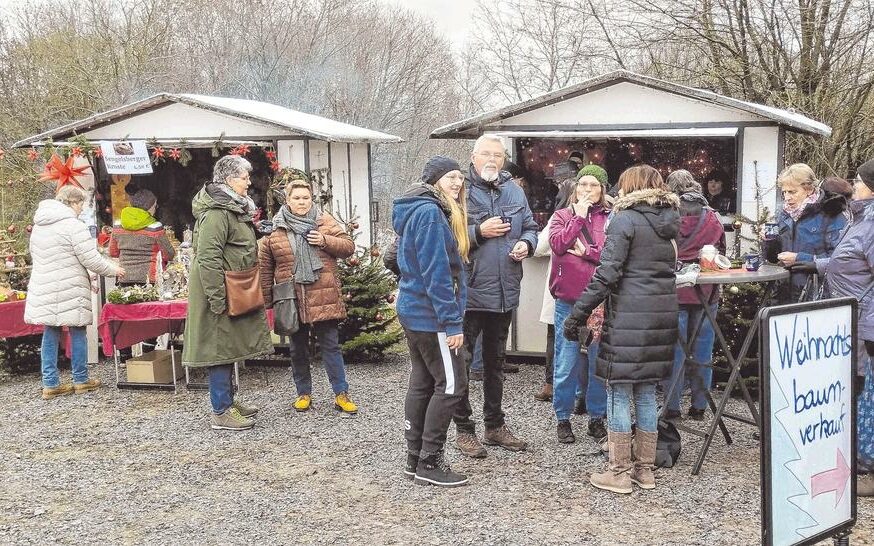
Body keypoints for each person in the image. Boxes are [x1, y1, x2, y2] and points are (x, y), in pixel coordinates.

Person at [563, 164, 680, 494]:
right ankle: (645, 471)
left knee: (618, 390)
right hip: (660, 317)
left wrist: (577, 314)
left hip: (629, 317)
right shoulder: (670, 220)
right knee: (646, 391)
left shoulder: (624, 219)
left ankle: (618, 472)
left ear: (632, 187)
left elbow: (607, 274)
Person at [454, 134, 538, 458]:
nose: (492, 159)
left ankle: (494, 426)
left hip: (505, 291)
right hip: (470, 292)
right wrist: (479, 232)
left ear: (504, 160)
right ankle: (464, 430)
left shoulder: (514, 190)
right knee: (462, 366)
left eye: (498, 155)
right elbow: (448, 236)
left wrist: (527, 244)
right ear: (473, 157)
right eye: (486, 154)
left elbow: (530, 226)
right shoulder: (460, 190)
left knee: (495, 363)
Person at [797, 159, 874, 496]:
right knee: (857, 389)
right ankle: (853, 458)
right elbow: (848, 261)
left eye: (859, 180)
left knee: (866, 393)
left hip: (865, 323)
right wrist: (812, 263)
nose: (853, 185)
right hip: (848, 320)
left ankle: (868, 467)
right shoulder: (860, 219)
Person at [392, 156, 470, 487]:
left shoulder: (417, 208)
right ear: (433, 180)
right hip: (431, 316)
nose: (457, 183)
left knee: (423, 382)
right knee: (451, 385)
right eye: (450, 177)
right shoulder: (430, 214)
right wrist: (452, 322)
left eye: (460, 178)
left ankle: (414, 458)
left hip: (415, 310)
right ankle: (430, 461)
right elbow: (437, 272)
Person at [182, 155, 273, 431]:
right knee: (219, 349)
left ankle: (228, 402)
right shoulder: (217, 213)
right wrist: (217, 298)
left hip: (231, 287)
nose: (248, 182)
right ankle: (221, 411)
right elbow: (208, 258)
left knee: (228, 345)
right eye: (244, 178)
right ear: (230, 180)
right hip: (220, 290)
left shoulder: (230, 208)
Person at [259, 171, 358, 415]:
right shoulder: (275, 229)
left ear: (311, 199)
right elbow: (266, 267)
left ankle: (341, 394)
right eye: (297, 198)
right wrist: (267, 303)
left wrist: (324, 240)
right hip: (291, 297)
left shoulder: (324, 221)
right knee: (297, 349)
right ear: (287, 200)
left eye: (306, 198)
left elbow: (348, 247)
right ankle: (303, 394)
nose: (302, 202)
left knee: (331, 346)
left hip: (323, 295)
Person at [25, 185, 126, 399]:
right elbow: (90, 258)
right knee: (77, 329)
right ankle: (81, 379)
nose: (81, 208)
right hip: (70, 285)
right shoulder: (74, 226)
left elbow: (36, 254)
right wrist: (113, 269)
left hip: (44, 285)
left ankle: (50, 383)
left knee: (50, 331)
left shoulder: (39, 226)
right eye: (81, 204)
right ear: (72, 202)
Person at [549, 174, 610, 443]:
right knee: (566, 362)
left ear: (602, 189)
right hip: (568, 300)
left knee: (598, 363)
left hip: (599, 301)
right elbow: (559, 244)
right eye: (583, 184)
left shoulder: (610, 218)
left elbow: (612, 255)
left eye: (593, 185)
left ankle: (597, 418)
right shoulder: (561, 216)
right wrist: (579, 217)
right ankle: (563, 418)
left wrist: (588, 253)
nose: (587, 189)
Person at [662, 170, 725, 421]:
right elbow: (720, 251)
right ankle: (699, 405)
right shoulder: (712, 216)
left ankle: (672, 406)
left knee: (674, 351)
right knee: (703, 349)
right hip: (706, 292)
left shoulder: (667, 214)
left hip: (674, 291)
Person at [765, 163, 847, 302]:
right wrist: (769, 240)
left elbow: (840, 260)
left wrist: (799, 258)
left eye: (792, 192)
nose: (787, 197)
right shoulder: (783, 214)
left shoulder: (831, 213)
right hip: (783, 293)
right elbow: (773, 258)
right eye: (784, 192)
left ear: (809, 189)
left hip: (816, 294)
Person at [533, 179, 578, 404]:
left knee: (556, 336)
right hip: (589, 287)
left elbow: (539, 247)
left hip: (560, 285)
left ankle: (552, 385)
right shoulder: (600, 216)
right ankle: (581, 390)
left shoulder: (559, 217)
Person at [109, 188, 175, 286]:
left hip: (124, 277)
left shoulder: (118, 225)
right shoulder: (155, 227)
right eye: (155, 205)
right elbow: (169, 254)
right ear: (150, 207)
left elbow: (113, 252)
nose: (155, 209)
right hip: (149, 279)